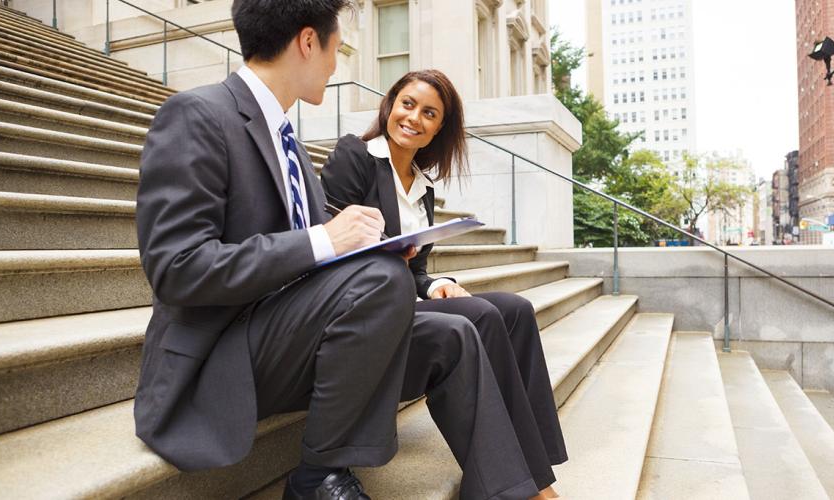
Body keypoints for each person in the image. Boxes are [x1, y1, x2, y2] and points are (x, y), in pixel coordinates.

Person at [134, 2, 541, 499]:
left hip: (290, 337)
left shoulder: (291, 143)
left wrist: (380, 249)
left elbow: (314, 268)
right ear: (308, 42)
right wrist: (328, 239)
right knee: (381, 279)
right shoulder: (197, 114)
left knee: (452, 333)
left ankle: (515, 492)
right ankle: (318, 476)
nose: (335, 61)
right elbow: (178, 269)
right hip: (221, 357)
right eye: (336, 46)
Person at [321, 69, 568, 500]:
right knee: (483, 316)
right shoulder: (356, 156)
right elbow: (330, 240)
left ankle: (536, 466)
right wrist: (384, 252)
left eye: (429, 113)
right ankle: (525, 487)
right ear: (390, 105)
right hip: (363, 307)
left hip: (402, 298)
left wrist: (437, 285)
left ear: (439, 128)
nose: (414, 118)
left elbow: (416, 269)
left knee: (516, 309)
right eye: (408, 104)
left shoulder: (423, 187)